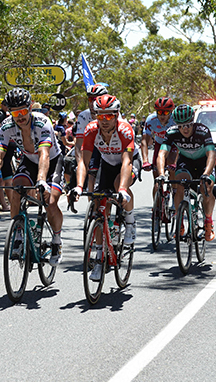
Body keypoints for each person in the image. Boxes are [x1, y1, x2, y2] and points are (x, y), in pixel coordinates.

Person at [0, 87, 64, 266]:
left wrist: (42, 180)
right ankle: (19, 234)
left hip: (51, 160)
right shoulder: (6, 126)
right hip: (29, 160)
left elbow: (44, 153)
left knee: (50, 202)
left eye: (22, 111)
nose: (19, 116)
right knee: (16, 189)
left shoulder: (42, 122)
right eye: (15, 113)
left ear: (29, 108)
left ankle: (57, 241)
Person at [69, 94, 139, 281]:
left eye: (109, 116)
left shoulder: (125, 130)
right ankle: (100, 259)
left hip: (128, 163)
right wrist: (78, 186)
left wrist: (123, 189)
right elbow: (83, 162)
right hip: (108, 164)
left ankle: (131, 223)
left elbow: (126, 162)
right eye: (100, 116)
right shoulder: (91, 130)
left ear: (116, 115)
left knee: (118, 185)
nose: (104, 120)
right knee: (99, 204)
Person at [155, 104, 216, 242]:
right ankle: (180, 222)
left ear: (193, 122)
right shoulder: (171, 132)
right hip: (186, 162)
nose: (185, 129)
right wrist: (160, 174)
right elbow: (162, 154)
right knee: (180, 185)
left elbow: (211, 153)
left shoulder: (202, 131)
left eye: (188, 125)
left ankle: (208, 221)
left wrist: (206, 173)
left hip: (204, 162)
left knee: (206, 188)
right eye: (181, 126)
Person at [74, 84, 109, 191]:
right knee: (91, 175)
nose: (92, 103)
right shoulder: (83, 116)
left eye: (96, 99)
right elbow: (79, 143)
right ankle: (92, 204)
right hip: (93, 147)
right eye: (90, 99)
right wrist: (80, 165)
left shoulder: (113, 113)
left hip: (110, 147)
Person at [142, 97, 178, 196]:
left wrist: (175, 162)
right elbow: (144, 141)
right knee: (157, 179)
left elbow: (181, 139)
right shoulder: (151, 119)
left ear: (170, 112)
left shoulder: (175, 120)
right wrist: (145, 161)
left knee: (172, 165)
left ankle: (174, 192)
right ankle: (157, 206)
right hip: (159, 144)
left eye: (166, 113)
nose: (162, 115)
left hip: (174, 145)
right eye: (159, 112)